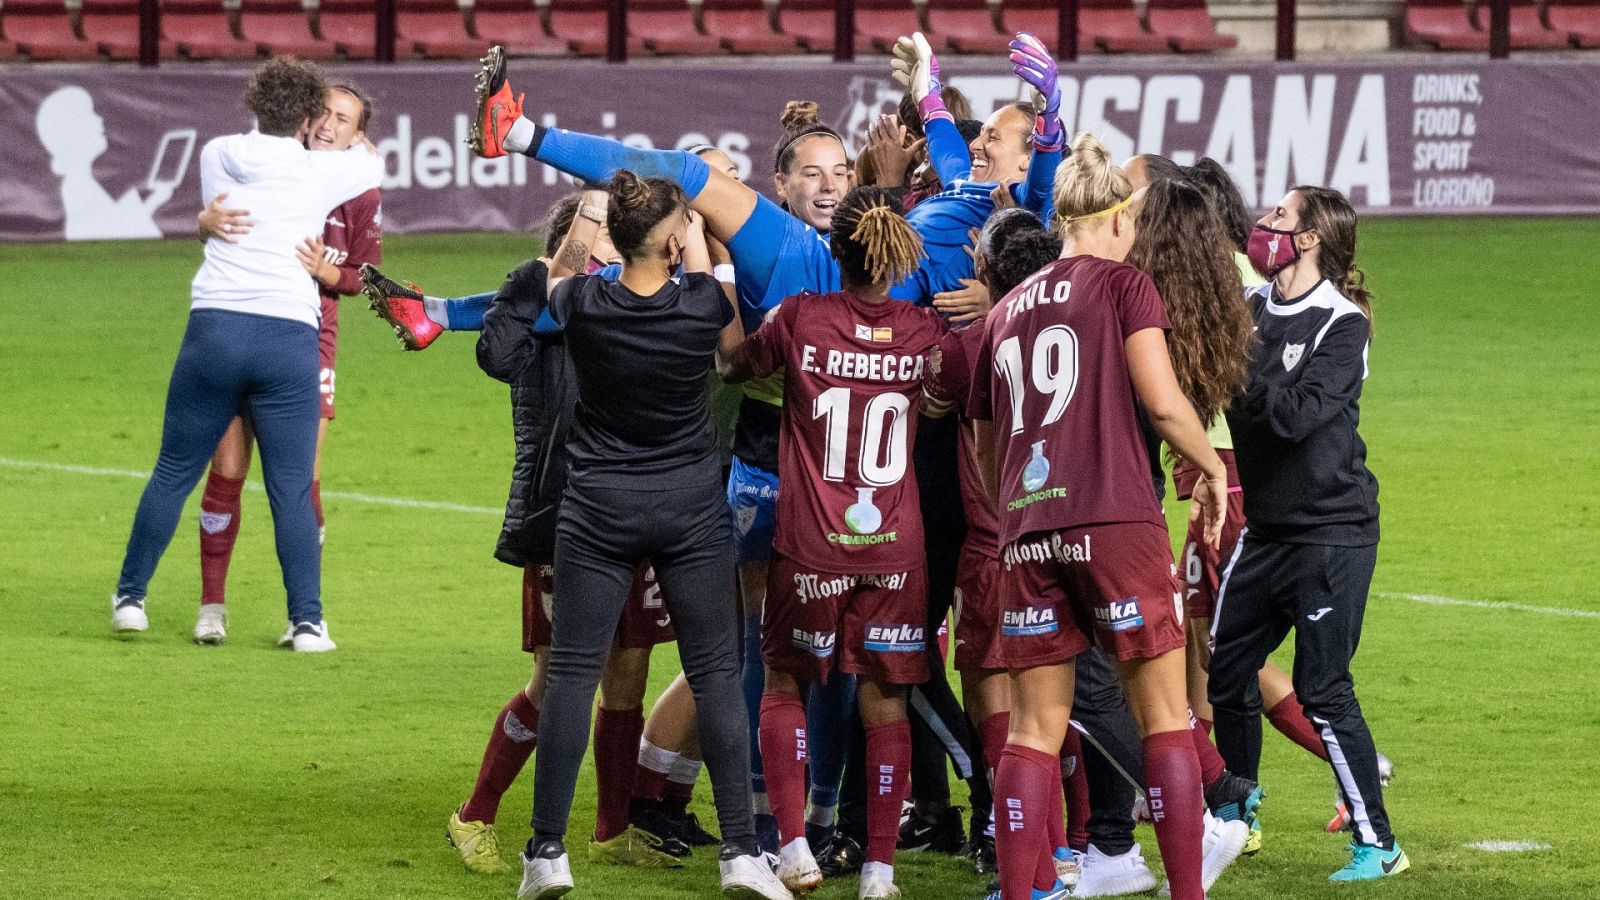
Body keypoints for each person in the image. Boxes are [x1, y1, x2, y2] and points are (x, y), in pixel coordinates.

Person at [969, 132, 1246, 900]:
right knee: (1163, 717)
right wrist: (1214, 465)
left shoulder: (1003, 312)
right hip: (1116, 522)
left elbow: (988, 442)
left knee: (1031, 732)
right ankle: (1186, 892)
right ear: (1119, 219)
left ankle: (1022, 894)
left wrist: (1018, 513)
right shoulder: (1126, 289)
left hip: (1026, 531)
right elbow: (1162, 402)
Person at [518, 170, 789, 900]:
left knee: (573, 677)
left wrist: (595, 207)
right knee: (715, 674)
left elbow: (559, 271)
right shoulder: (702, 304)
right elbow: (731, 345)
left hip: (598, 507)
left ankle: (545, 853)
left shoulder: (583, 303)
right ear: (674, 239)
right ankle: (739, 852)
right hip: (688, 511)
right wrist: (698, 244)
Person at [718, 187, 947, 900]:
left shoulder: (800, 316)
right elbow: (947, 401)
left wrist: (725, 279)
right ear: (900, 256)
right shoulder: (923, 330)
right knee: (886, 700)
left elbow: (733, 365)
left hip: (812, 540)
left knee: (783, 683)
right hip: (894, 547)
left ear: (833, 253)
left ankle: (792, 849)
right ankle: (879, 868)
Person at [108, 58, 382, 651]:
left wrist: (204, 221)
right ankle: (308, 622)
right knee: (290, 489)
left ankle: (131, 600)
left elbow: (218, 220)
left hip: (215, 329)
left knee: (173, 472)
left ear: (254, 105)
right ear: (310, 117)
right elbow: (371, 161)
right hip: (287, 338)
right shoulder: (321, 173)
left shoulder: (217, 151)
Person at [1208, 185, 1408, 883]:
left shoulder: (1341, 325)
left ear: (1312, 237)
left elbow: (1295, 418)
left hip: (1332, 533)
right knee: (1226, 668)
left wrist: (1234, 364)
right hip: (1267, 531)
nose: (1264, 225)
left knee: (1323, 690)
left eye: (1279, 217)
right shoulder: (1253, 309)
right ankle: (1235, 814)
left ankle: (1378, 843)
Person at [188, 81, 382, 647]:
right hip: (239, 327)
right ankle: (211, 606)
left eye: (343, 119)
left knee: (301, 479)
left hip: (310, 340)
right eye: (322, 112)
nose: (328, 124)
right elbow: (216, 222)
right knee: (226, 466)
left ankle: (305, 614)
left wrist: (330, 276)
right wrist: (203, 223)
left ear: (357, 134)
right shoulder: (265, 165)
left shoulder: (359, 190)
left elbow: (365, 273)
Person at [369, 145, 741, 350]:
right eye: (712, 177)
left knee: (586, 288)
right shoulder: (689, 258)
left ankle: (439, 313)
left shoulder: (760, 238)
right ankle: (437, 313)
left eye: (733, 175)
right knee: (600, 283)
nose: (727, 186)